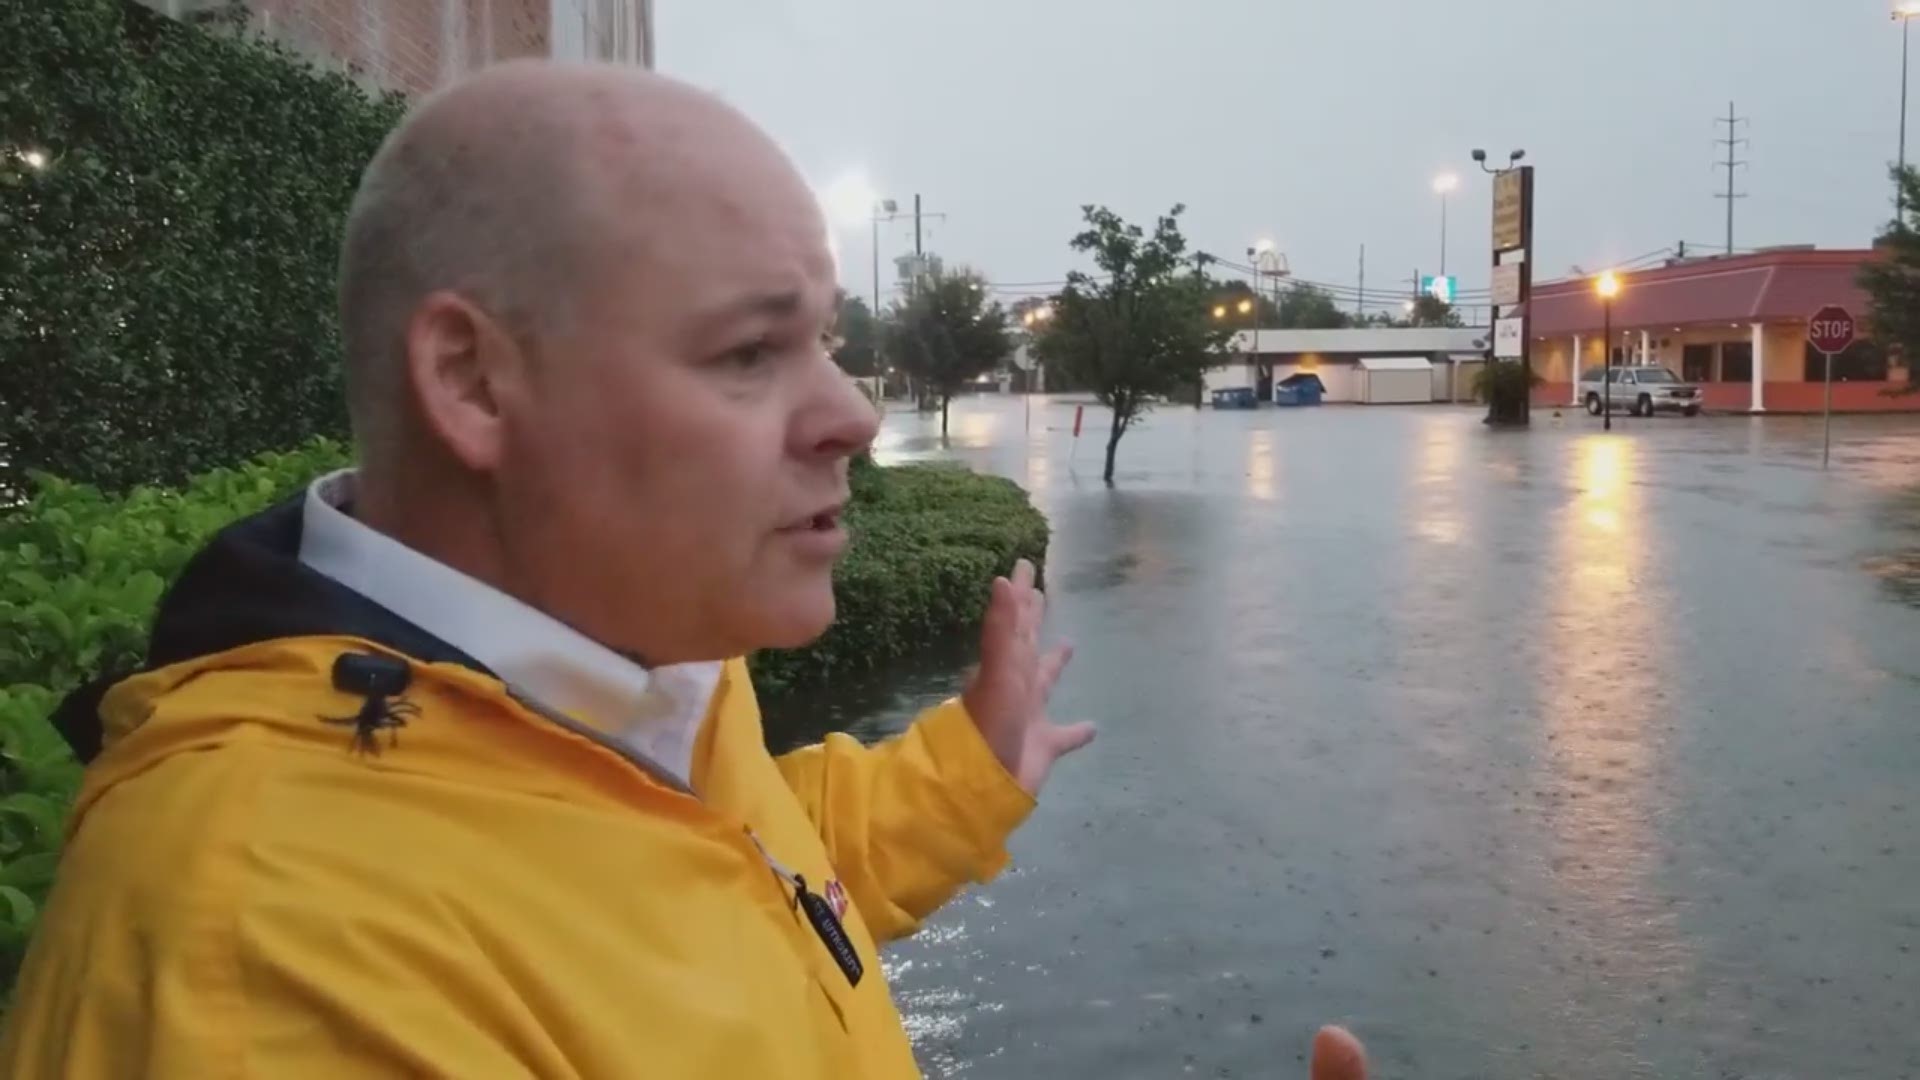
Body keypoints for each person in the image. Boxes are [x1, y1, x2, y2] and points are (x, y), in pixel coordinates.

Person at [0, 60, 1365, 1079]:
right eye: (748, 353)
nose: (848, 414)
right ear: (475, 382)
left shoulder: (619, 685)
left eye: (825, 343)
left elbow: (707, 886)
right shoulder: (269, 974)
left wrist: (963, 774)